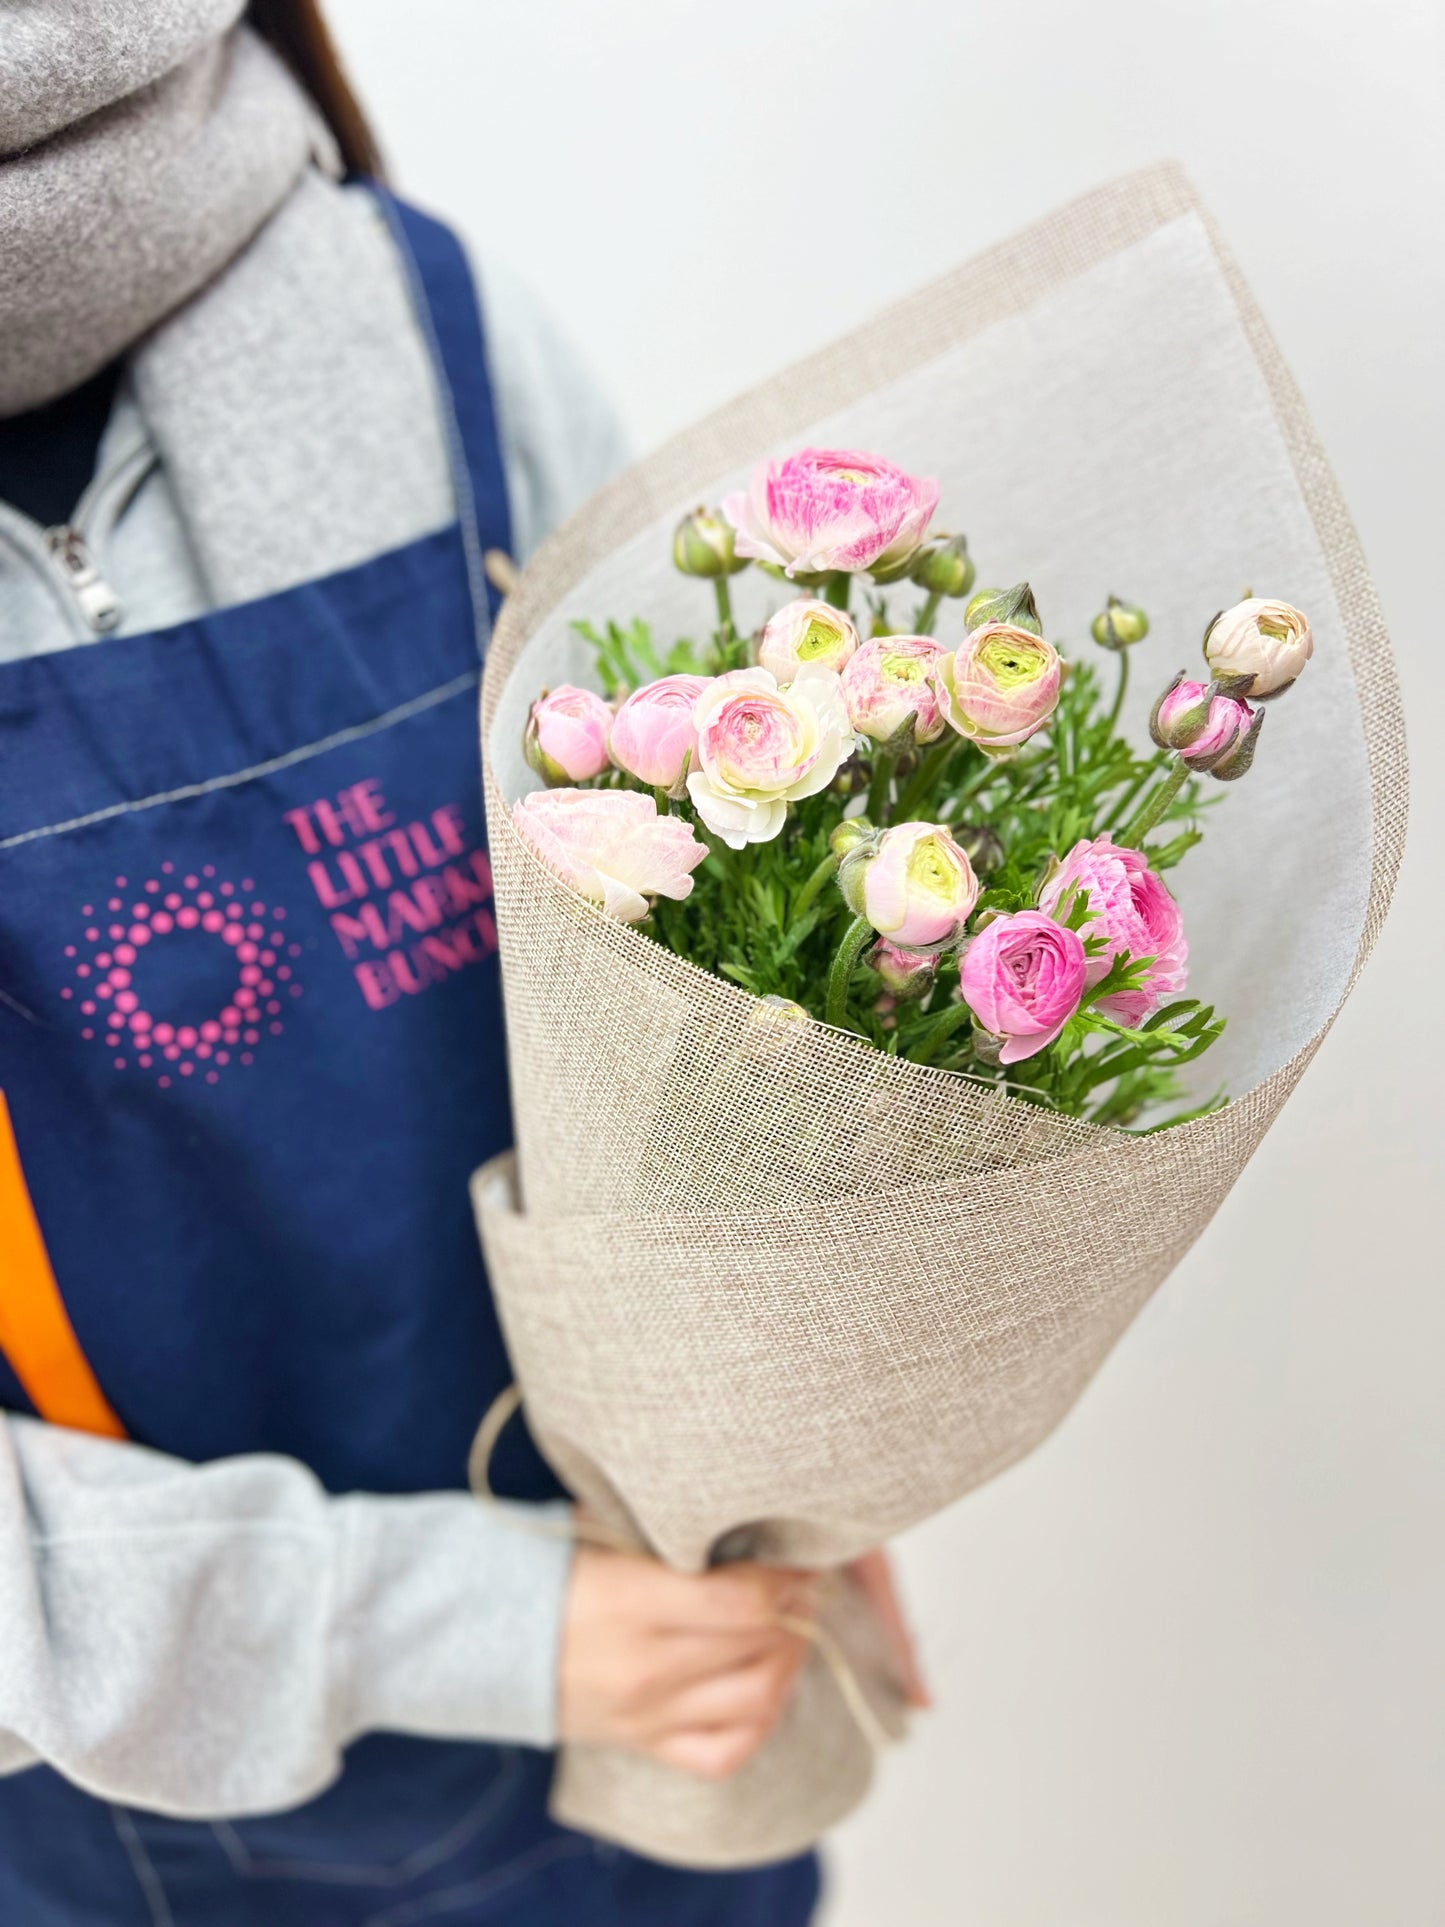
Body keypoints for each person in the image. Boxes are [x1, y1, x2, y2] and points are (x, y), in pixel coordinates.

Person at [0, 4, 924, 1921]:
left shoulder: (430, 325)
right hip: (119, 1831)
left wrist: (794, 1456)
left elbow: (728, 979)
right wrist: (462, 1627)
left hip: (670, 1701)